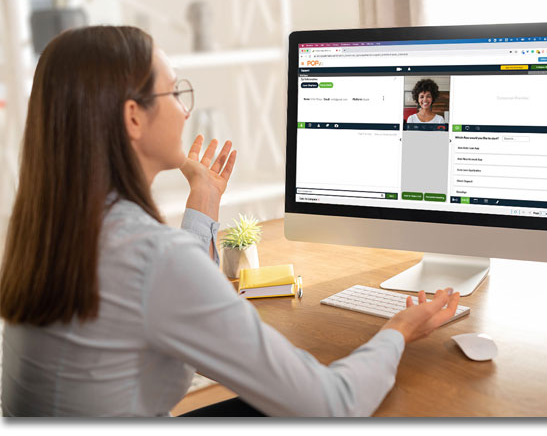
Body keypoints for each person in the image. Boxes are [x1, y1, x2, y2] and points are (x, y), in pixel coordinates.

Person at [0, 26, 460, 417]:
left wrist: (204, 198)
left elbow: (159, 289)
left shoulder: (52, 234)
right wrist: (398, 330)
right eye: (175, 92)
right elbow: (330, 405)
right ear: (133, 117)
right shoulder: (150, 256)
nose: (185, 109)